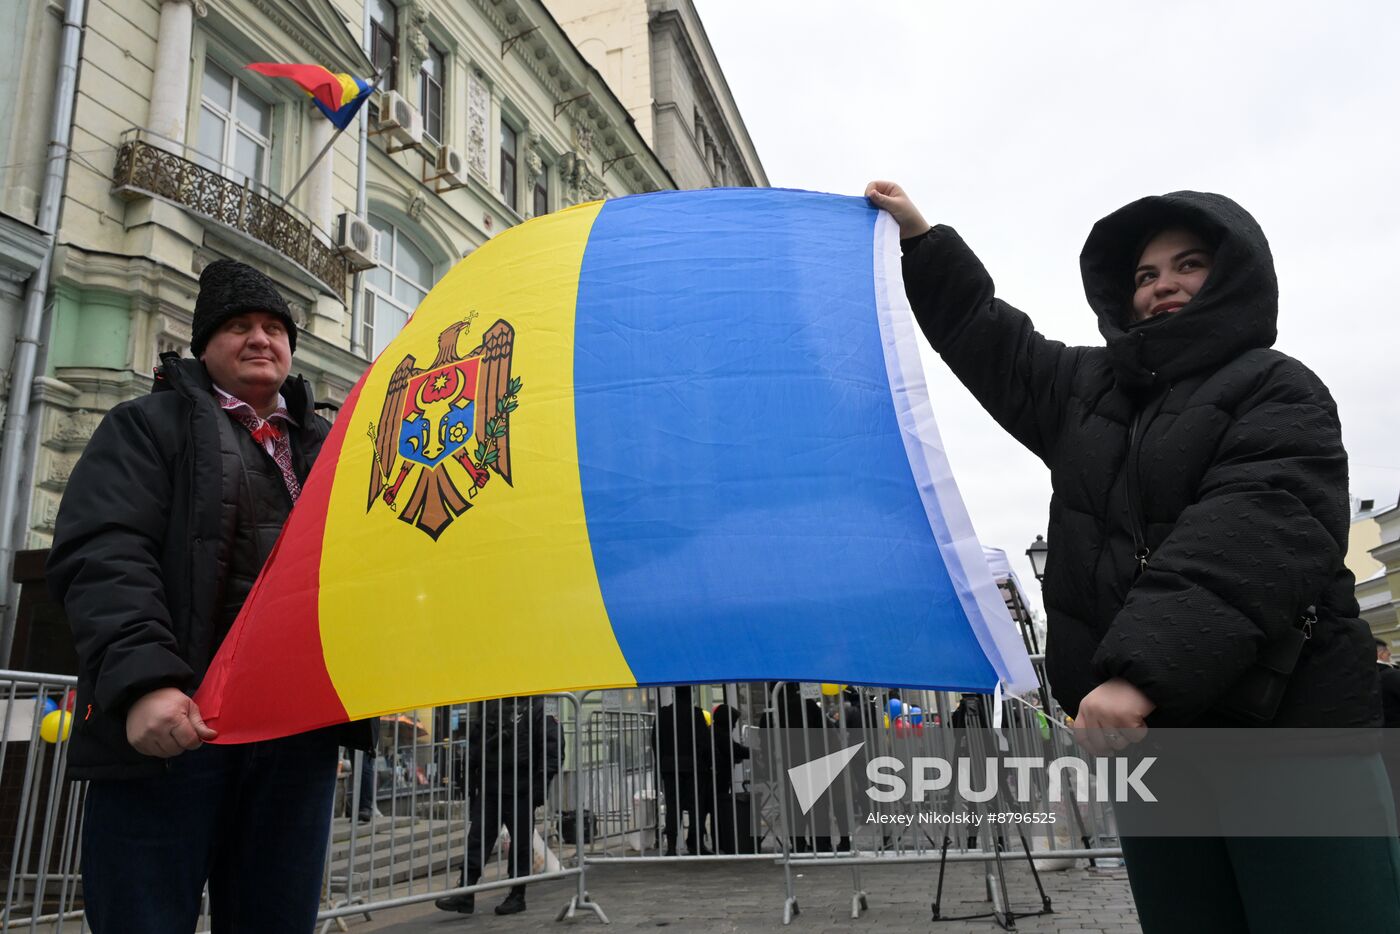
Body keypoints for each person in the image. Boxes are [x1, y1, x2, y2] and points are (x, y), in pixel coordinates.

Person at [865, 181, 1400, 930]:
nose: (1162, 285)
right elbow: (992, 341)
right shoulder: (1088, 391)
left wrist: (1139, 672)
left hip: (1286, 736)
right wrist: (923, 243)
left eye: (1189, 265)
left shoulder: (1279, 388)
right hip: (1152, 748)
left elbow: (1255, 528)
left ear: (1235, 275)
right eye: (1146, 275)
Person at [46, 259, 373, 933]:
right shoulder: (146, 425)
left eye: (274, 328)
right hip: (175, 731)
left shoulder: (331, 447)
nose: (260, 339)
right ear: (204, 344)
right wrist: (146, 685)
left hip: (293, 735)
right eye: (238, 326)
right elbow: (106, 555)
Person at [435, 695, 561, 916]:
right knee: (477, 839)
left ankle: (517, 894)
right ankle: (466, 890)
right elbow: (477, 742)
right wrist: (469, 777)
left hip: (521, 786)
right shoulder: (496, 704)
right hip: (491, 785)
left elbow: (553, 748)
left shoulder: (540, 706)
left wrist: (540, 786)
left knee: (520, 844)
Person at [655, 685, 713, 855]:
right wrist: (708, 764)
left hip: (670, 767)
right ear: (690, 695)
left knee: (673, 808)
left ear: (675, 695)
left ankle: (671, 847)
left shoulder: (664, 714)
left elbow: (655, 741)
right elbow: (704, 742)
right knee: (696, 807)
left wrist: (662, 762)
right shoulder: (696, 714)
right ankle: (695, 844)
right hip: (694, 767)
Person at [709, 704, 752, 853]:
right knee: (718, 811)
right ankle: (720, 844)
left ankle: (719, 844)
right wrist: (755, 752)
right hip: (717, 778)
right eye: (733, 722)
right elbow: (734, 750)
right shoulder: (720, 734)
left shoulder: (715, 731)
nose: (734, 726)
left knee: (716, 811)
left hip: (716, 777)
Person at [1379, 639, 1400, 728]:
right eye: (1387, 651)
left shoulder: (1362, 677)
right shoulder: (1392, 674)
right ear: (1381, 654)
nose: (1390, 654)